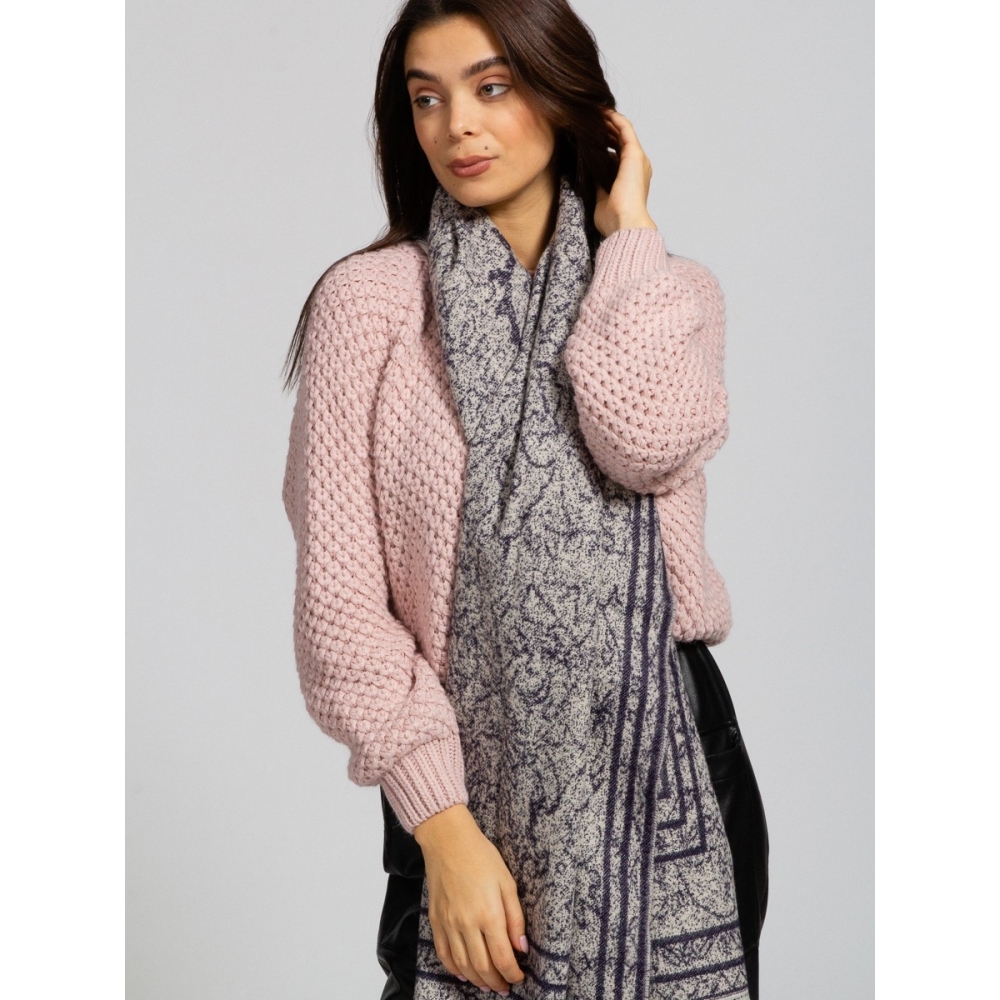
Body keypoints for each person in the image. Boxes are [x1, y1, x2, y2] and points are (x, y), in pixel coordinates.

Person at [281, 2, 768, 998]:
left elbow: (643, 443)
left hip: (672, 767)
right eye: (426, 98)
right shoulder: (370, 304)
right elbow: (340, 608)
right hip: (461, 781)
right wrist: (444, 830)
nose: (456, 123)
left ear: (562, 95)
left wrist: (629, 236)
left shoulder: (672, 293)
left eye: (492, 86)